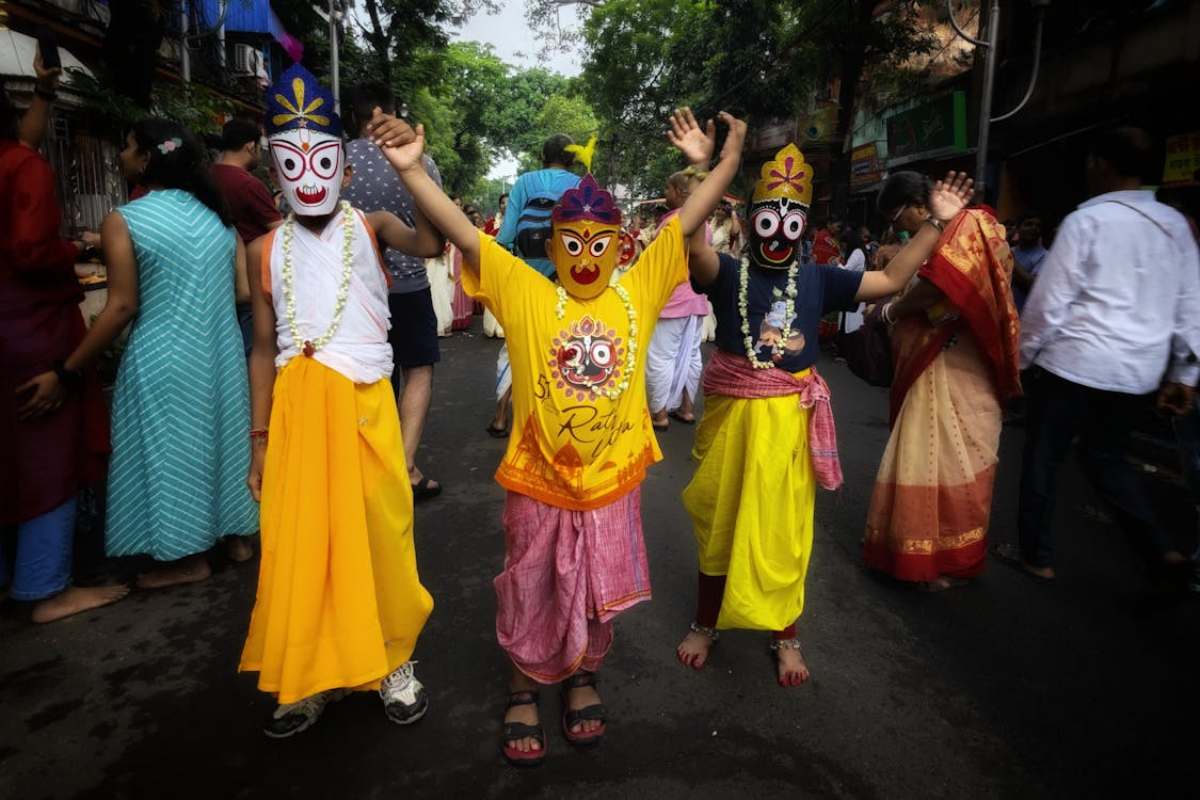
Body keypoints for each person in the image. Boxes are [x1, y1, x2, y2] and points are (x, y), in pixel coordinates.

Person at [377, 106, 745, 766]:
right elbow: (463, 233)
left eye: (599, 245)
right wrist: (409, 170)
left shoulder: (637, 291)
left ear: (622, 249)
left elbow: (688, 221)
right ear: (550, 250)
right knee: (531, 583)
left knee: (597, 590)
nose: (585, 257)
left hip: (610, 483)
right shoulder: (525, 292)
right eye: (571, 244)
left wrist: (719, 163)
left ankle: (581, 675)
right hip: (539, 480)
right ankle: (523, 683)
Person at [675, 133, 975, 685]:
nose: (779, 234)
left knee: (786, 533)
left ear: (804, 231)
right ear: (751, 225)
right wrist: (703, 172)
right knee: (720, 525)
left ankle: (785, 634)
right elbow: (690, 243)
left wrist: (936, 224)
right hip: (732, 426)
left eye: (792, 225)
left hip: (789, 426)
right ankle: (706, 622)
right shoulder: (727, 272)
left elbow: (889, 280)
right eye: (768, 221)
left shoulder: (817, 278)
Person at [239, 65, 440, 737]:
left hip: (364, 409)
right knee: (303, 546)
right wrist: (259, 439)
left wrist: (412, 168)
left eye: (321, 160)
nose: (308, 176)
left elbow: (435, 244)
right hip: (296, 418)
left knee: (381, 536)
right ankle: (310, 675)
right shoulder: (263, 249)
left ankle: (391, 663)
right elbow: (263, 349)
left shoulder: (375, 224)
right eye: (289, 163)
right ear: (274, 170)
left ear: (346, 169)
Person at [50, 118, 257, 590]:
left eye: (126, 146)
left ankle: (185, 559)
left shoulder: (126, 219)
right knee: (222, 444)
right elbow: (244, 292)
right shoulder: (217, 218)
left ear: (147, 158)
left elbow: (121, 305)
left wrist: (69, 368)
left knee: (169, 453)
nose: (122, 154)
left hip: (163, 353)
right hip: (220, 353)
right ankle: (237, 539)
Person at [997, 127, 1200, 583]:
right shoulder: (1176, 226)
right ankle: (1160, 550)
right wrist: (1184, 374)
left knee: (1043, 457)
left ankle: (1036, 554)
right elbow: (1191, 305)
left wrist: (1021, 362)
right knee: (1106, 458)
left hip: (1074, 363)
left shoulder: (1086, 222)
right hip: (1137, 373)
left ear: (1101, 165)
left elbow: (1050, 304)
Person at [1, 52, 128, 623]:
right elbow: (31, 248)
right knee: (48, 454)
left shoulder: (14, 162)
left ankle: (14, 577)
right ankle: (46, 587)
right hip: (31, 328)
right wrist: (75, 249)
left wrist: (45, 96)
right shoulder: (22, 169)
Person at [860, 172, 1022, 590]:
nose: (901, 231)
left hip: (948, 357)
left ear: (919, 206)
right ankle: (944, 553)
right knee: (963, 452)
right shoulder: (986, 227)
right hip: (966, 357)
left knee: (934, 452)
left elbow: (937, 289)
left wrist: (892, 313)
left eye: (900, 220)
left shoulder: (964, 229)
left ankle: (925, 554)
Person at [342, 82, 446, 502]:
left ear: (354, 116)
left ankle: (362, 467)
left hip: (350, 291)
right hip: (408, 283)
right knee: (417, 368)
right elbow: (436, 226)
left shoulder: (335, 161)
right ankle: (403, 464)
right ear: (392, 113)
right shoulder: (419, 161)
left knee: (367, 376)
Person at [487, 136, 582, 438]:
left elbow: (505, 238)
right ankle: (553, 419)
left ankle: (502, 416)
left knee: (514, 346)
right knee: (560, 348)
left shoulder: (525, 182)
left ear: (543, 155)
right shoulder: (581, 185)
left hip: (525, 277)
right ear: (572, 158)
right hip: (564, 280)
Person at [646, 167, 712, 429]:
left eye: (667, 189)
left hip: (671, 301)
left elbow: (656, 262)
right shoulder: (703, 224)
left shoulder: (673, 222)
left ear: (678, 192)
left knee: (661, 357)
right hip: (695, 299)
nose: (664, 194)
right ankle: (686, 409)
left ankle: (660, 414)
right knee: (691, 355)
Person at [1010, 216, 1048, 313]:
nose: (1034, 228)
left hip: (1022, 315)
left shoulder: (1044, 256)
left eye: (1038, 226)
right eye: (1029, 224)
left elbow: (1034, 285)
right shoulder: (1010, 250)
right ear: (1018, 229)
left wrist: (1011, 260)